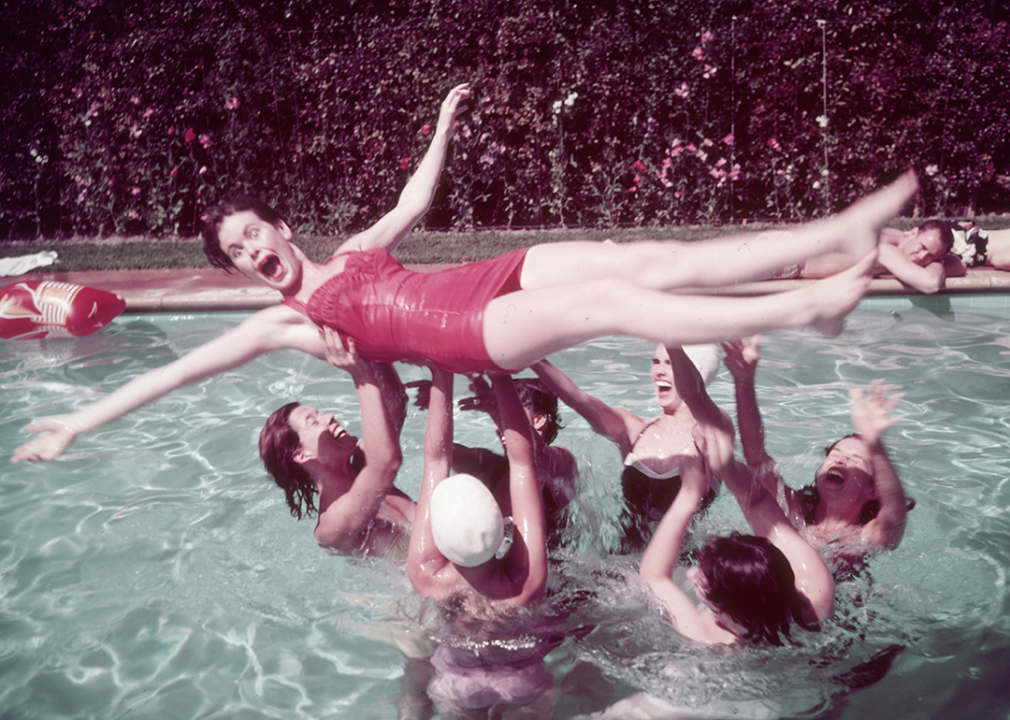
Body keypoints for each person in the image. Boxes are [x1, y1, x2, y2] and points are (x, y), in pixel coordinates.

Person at [13, 89, 921, 463]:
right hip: (465, 334)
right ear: (243, 269)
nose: (256, 250)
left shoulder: (358, 243)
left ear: (282, 226)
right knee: (611, 303)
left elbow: (413, 200)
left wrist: (444, 124)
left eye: (257, 232)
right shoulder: (290, 322)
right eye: (240, 252)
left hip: (484, 277)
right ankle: (807, 305)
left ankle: (831, 232)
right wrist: (76, 423)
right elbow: (177, 371)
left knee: (634, 259)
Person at [639, 346, 834, 645]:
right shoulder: (813, 597)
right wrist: (725, 464)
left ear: (723, 609)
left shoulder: (706, 634)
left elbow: (653, 576)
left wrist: (689, 495)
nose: (691, 574)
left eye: (702, 581)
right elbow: (755, 499)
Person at [408, 367, 555, 713]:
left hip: (456, 680)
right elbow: (523, 464)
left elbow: (436, 462)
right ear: (503, 529)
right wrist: (499, 373)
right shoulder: (524, 583)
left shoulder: (427, 577)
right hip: (522, 680)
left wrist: (441, 371)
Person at [722, 336, 909, 567]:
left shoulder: (865, 536)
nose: (842, 459)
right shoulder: (796, 511)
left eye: (855, 459)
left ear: (872, 489)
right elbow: (756, 456)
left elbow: (895, 515)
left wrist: (875, 445)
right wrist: (744, 381)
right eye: (836, 453)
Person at [533, 344, 720, 552]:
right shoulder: (634, 429)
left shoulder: (711, 433)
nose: (659, 371)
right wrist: (532, 358)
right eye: (656, 362)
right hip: (621, 563)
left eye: (670, 363)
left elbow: (701, 402)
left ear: (696, 371)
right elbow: (578, 399)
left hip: (681, 566)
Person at [258, 328, 416, 557]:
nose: (329, 416)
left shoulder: (362, 465)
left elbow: (396, 403)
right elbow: (385, 464)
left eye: (319, 412)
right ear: (302, 455)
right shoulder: (331, 526)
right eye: (313, 421)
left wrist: (366, 346)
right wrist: (360, 374)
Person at [449, 375, 578, 550]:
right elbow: (440, 454)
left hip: (567, 573)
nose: (497, 425)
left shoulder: (562, 460)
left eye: (509, 414)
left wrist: (496, 410)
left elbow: (535, 455)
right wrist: (441, 403)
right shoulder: (490, 467)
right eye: (499, 415)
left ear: (538, 420)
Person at [783, 218, 956, 294]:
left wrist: (935, 258)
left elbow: (959, 264)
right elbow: (930, 284)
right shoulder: (887, 250)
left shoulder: (897, 236)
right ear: (913, 233)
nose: (921, 257)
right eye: (922, 247)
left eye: (930, 256)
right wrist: (938, 261)